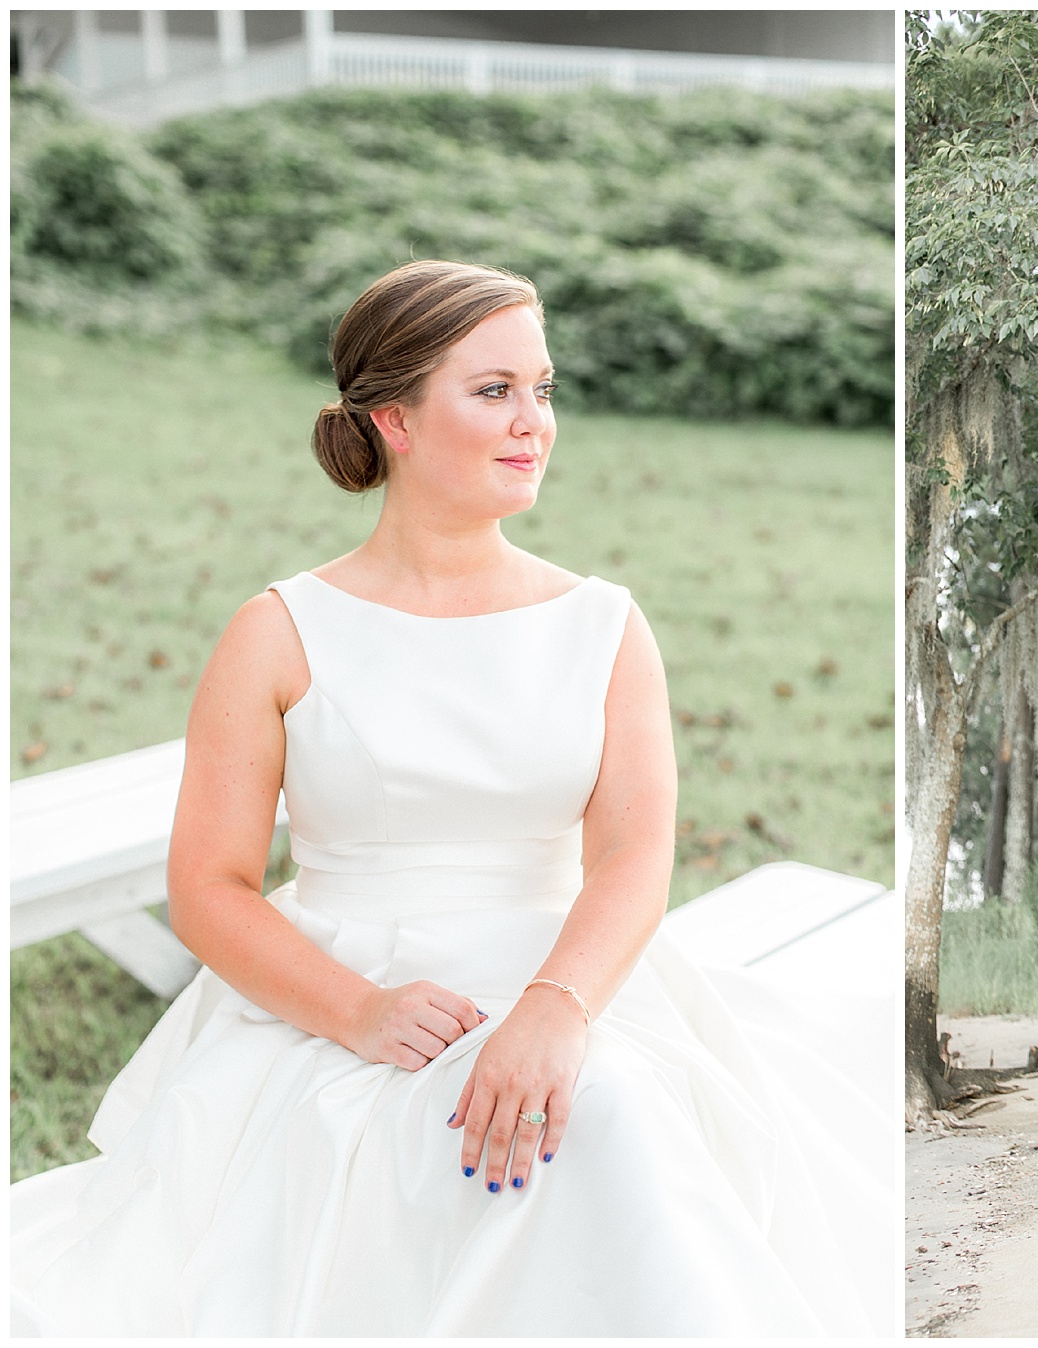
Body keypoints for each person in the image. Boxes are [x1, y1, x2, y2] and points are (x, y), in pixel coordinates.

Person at [11, 260, 891, 1335]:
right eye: (494, 391)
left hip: (563, 972)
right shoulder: (279, 631)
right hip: (344, 985)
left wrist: (555, 1012)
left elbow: (631, 856)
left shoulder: (603, 625)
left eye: (544, 388)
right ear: (395, 420)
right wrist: (360, 1011)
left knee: (605, 1112)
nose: (535, 423)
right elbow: (206, 887)